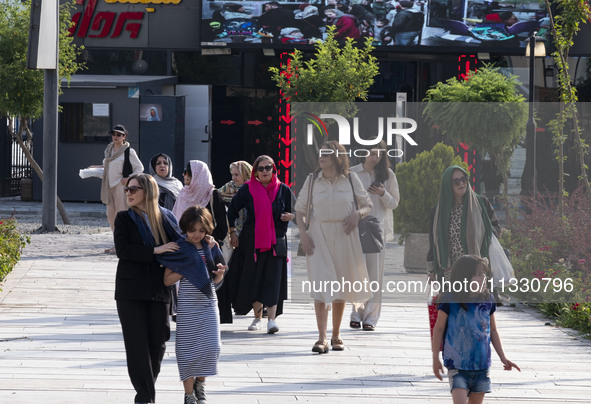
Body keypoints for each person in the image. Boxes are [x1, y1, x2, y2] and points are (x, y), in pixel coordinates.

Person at [295, 141, 373, 353]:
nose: (322, 157)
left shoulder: (350, 179)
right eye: (321, 153)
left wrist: (357, 214)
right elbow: (300, 210)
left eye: (327, 154)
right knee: (321, 286)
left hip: (345, 235)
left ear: (337, 157)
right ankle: (321, 338)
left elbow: (367, 204)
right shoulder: (312, 180)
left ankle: (336, 334)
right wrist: (303, 234)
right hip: (318, 235)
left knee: (341, 285)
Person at [113, 174, 181, 404]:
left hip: (159, 288)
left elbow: (182, 245)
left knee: (159, 341)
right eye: (127, 190)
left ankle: (145, 391)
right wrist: (156, 250)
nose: (129, 193)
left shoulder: (166, 218)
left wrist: (206, 244)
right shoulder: (123, 219)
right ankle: (145, 397)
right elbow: (123, 250)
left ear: (148, 192)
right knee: (136, 345)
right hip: (130, 289)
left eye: (134, 189)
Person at [432, 255, 520, 404]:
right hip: (457, 365)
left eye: (484, 274)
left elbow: (493, 331)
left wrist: (503, 357)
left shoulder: (488, 299)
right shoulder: (450, 299)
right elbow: (439, 328)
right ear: (464, 278)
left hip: (481, 366)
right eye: (478, 274)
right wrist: (435, 358)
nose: (483, 277)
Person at [163, 206, 226, 404]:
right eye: (192, 230)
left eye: (201, 230)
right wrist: (186, 269)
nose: (197, 234)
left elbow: (216, 281)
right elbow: (166, 280)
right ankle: (189, 395)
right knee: (187, 350)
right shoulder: (178, 247)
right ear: (185, 228)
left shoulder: (212, 246)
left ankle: (201, 383)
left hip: (208, 303)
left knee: (212, 348)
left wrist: (220, 274)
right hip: (187, 306)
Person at [227, 155, 295, 334]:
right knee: (255, 277)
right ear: (255, 171)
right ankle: (257, 318)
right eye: (262, 168)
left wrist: (290, 217)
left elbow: (296, 211)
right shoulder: (248, 189)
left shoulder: (284, 190)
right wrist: (233, 232)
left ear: (274, 169)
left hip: (276, 240)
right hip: (252, 240)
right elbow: (232, 211)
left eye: (269, 167)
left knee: (273, 278)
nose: (265, 171)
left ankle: (271, 320)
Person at [349, 141, 400, 331]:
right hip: (355, 228)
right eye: (371, 153)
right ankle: (356, 313)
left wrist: (383, 193)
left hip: (376, 229)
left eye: (379, 153)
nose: (375, 157)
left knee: (374, 276)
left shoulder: (387, 175)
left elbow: (394, 203)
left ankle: (371, 317)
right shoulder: (351, 173)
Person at [427, 165, 500, 283]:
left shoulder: (482, 203)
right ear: (448, 185)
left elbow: (495, 227)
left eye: (464, 179)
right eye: (456, 181)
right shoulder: (438, 211)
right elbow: (433, 242)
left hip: (477, 269)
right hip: (450, 272)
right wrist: (431, 271)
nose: (461, 183)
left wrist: (485, 236)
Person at [92, 124, 143, 254]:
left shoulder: (129, 151)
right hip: (108, 187)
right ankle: (117, 243)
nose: (115, 137)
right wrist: (93, 169)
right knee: (111, 216)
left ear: (124, 136)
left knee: (122, 215)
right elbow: (108, 168)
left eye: (119, 134)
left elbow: (139, 168)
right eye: (114, 134)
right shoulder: (109, 150)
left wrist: (128, 179)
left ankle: (123, 245)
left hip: (121, 187)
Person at [172, 160, 228, 246]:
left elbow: (222, 227)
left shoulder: (212, 194)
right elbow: (175, 220)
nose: (183, 175)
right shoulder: (183, 193)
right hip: (183, 245)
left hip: (207, 246)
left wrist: (206, 239)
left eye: (186, 172)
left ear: (195, 175)